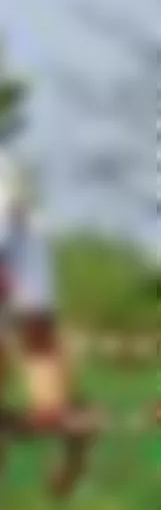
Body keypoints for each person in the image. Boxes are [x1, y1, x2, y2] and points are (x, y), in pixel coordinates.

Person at [0, 151, 69, 424]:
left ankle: (51, 408)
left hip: (25, 262)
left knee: (37, 336)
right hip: (20, 261)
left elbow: (11, 217)